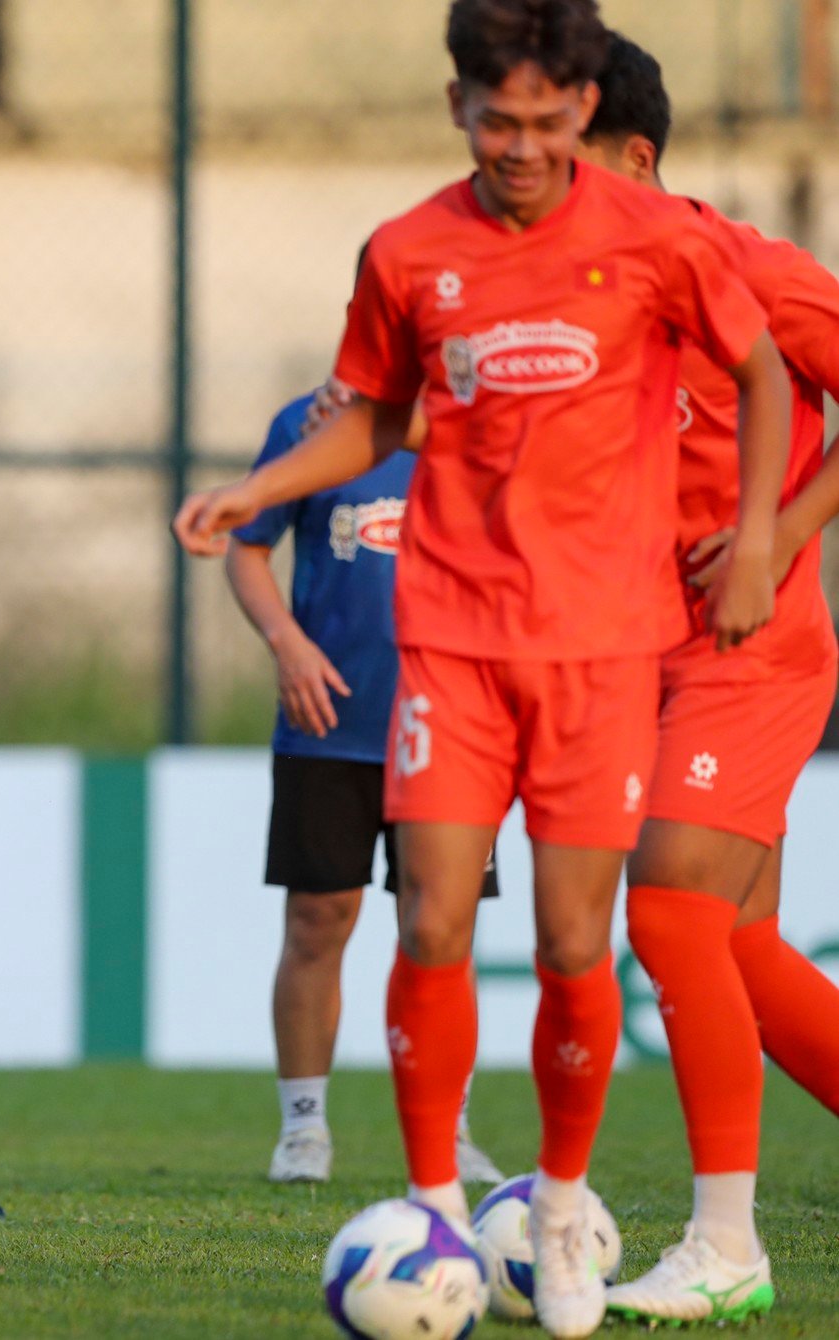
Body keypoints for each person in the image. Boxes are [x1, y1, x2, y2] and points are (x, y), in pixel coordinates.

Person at [173, 2, 794, 1334]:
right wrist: (257, 490)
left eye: (546, 121)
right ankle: (429, 1220)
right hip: (446, 642)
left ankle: (559, 1205)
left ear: (584, 114)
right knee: (436, 924)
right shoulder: (407, 250)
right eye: (494, 120)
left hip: (600, 649)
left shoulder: (659, 238)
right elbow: (379, 416)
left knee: (577, 945)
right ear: (457, 106)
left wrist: (758, 543)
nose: (519, 146)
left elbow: (764, 377)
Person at [578, 34, 839, 1325]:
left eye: (553, 159)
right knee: (735, 943)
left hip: (748, 643)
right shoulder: (554, 295)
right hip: (628, 652)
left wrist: (774, 537)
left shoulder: (751, 272)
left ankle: (726, 1244)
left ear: (632, 158)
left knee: (671, 903)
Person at [229, 385, 503, 1186]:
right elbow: (247, 544)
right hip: (329, 719)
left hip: (454, 726)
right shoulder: (308, 422)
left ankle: (447, 1131)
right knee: (318, 920)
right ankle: (303, 1130)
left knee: (443, 930)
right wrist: (286, 641)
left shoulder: (484, 414)